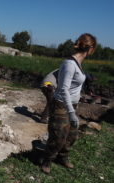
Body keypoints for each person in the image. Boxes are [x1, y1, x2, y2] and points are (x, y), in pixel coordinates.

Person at [41, 33, 97, 174]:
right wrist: (71, 113)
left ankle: (63, 157)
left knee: (72, 135)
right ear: (90, 49)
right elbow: (64, 89)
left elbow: (74, 86)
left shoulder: (78, 64)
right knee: (58, 135)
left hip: (73, 104)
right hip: (61, 104)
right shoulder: (69, 64)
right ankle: (47, 159)